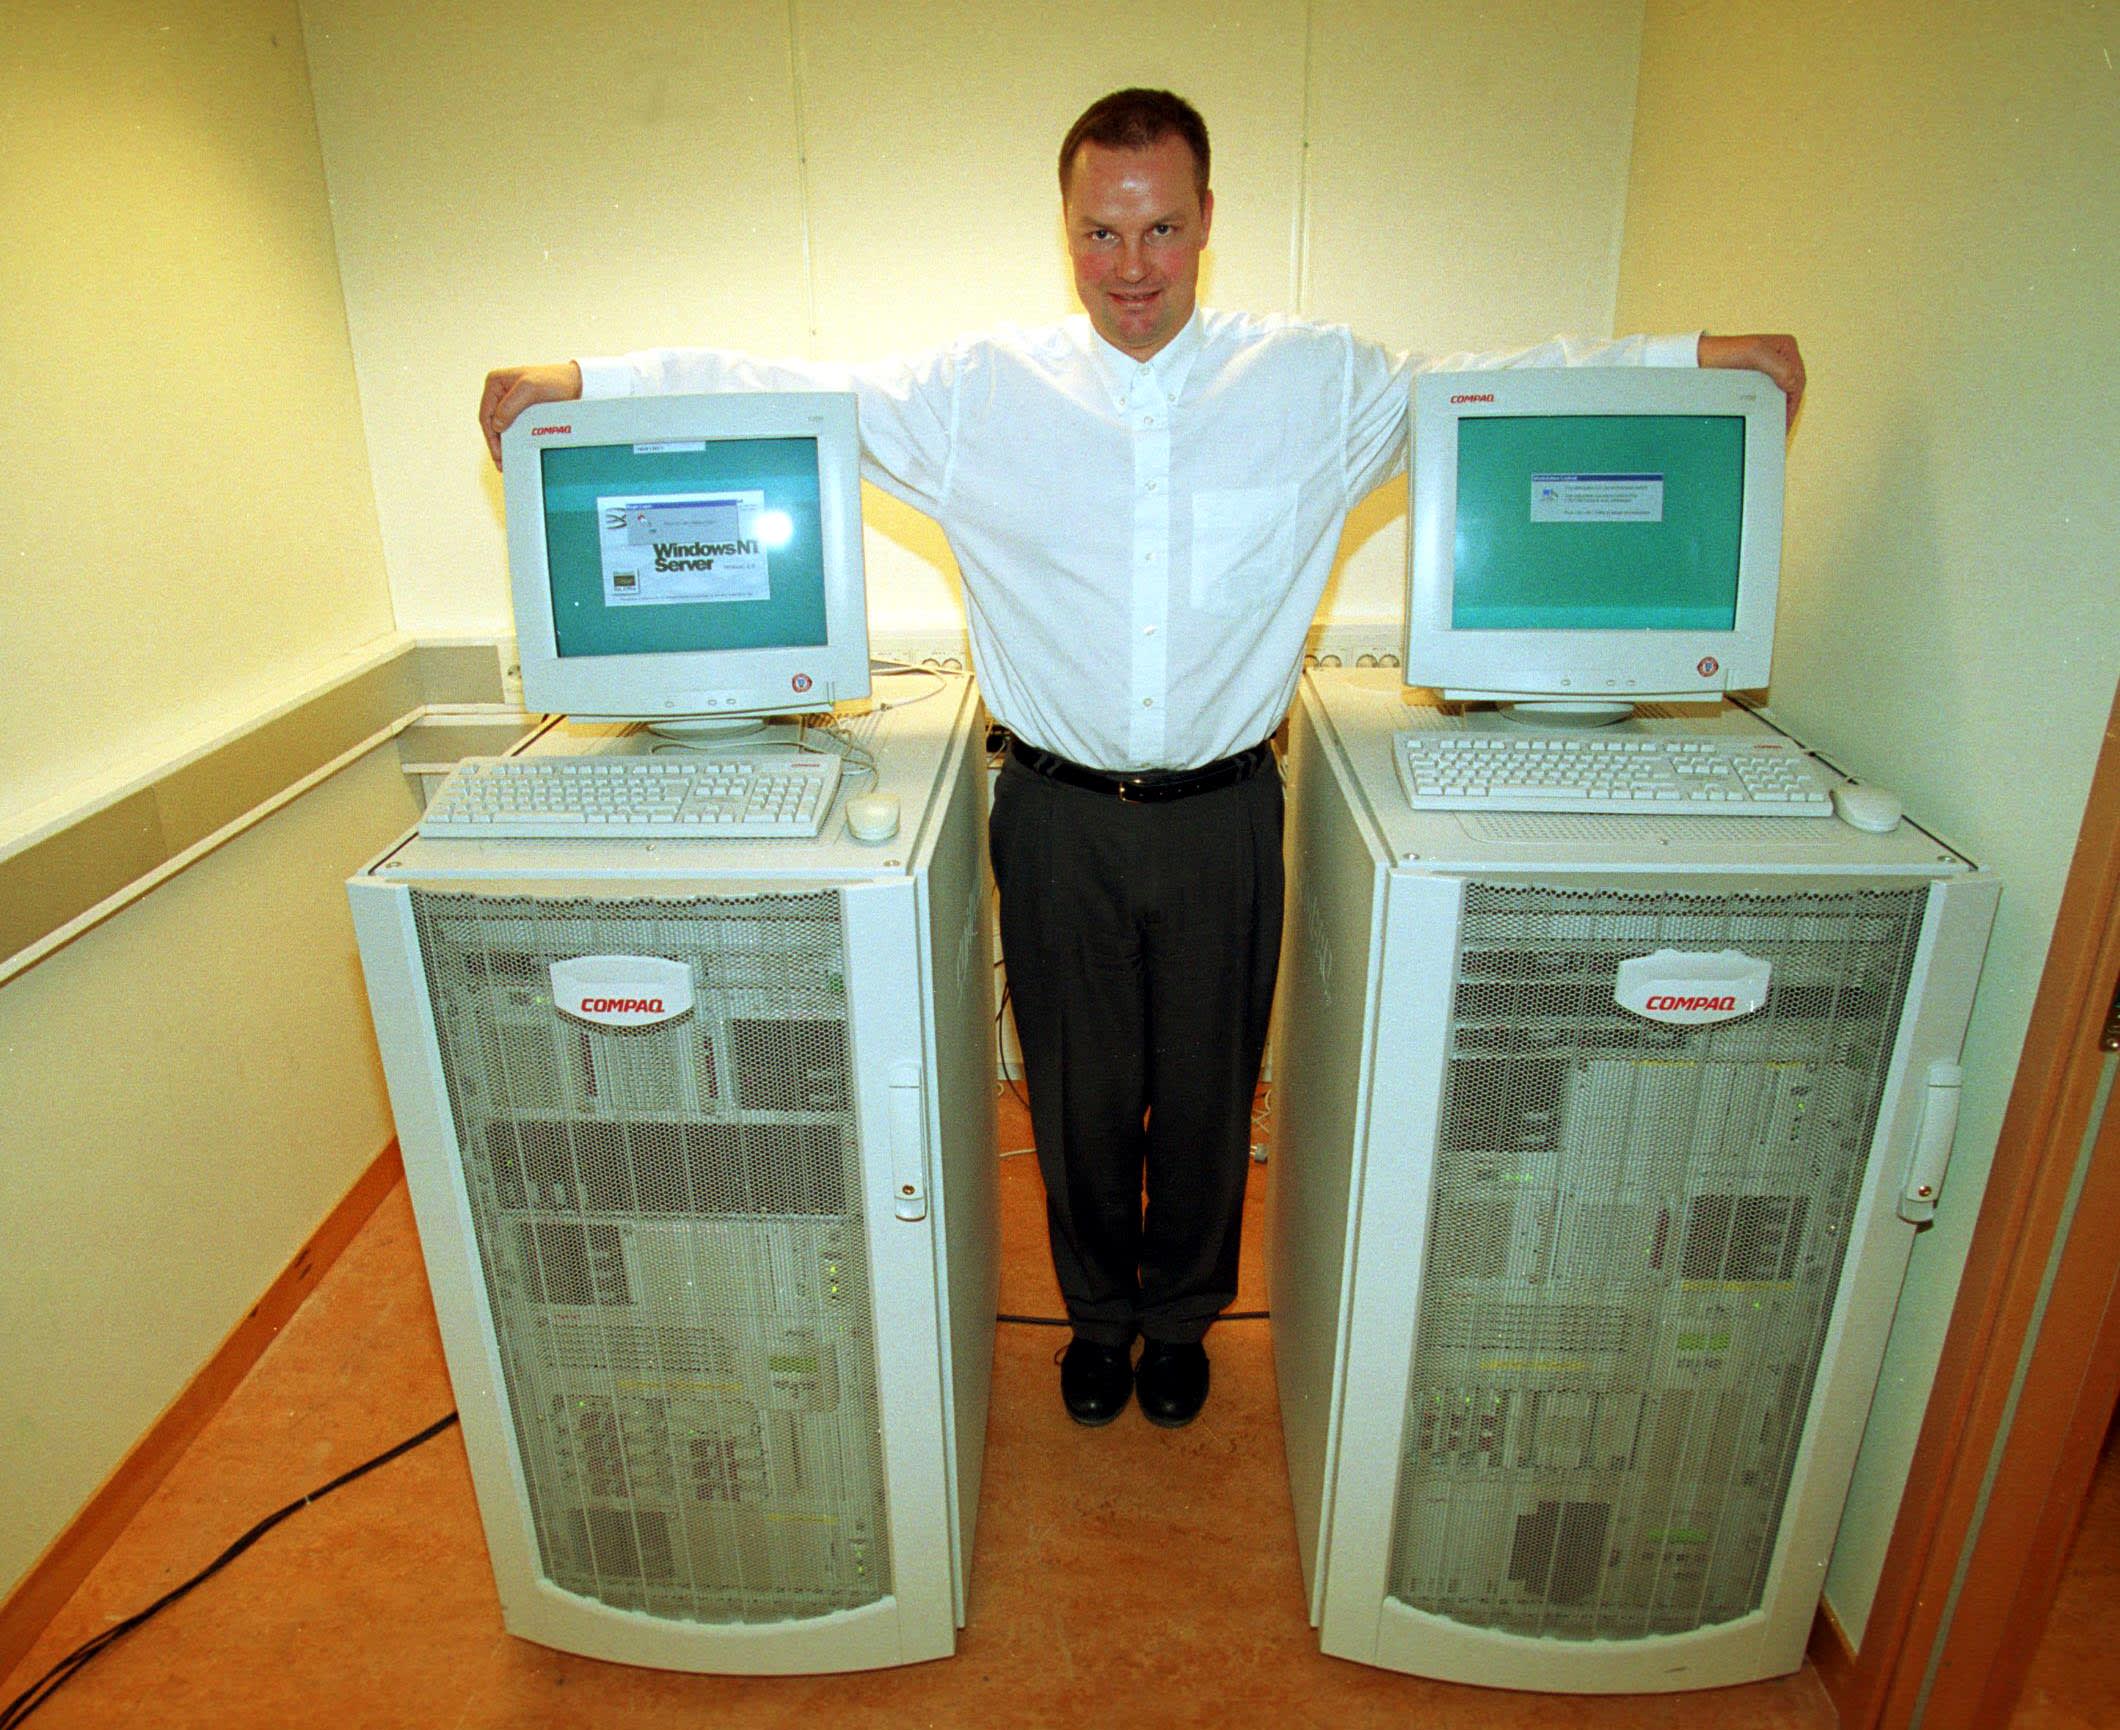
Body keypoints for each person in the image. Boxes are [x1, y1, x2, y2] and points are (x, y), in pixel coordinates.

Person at [481, 88, 1804, 1432]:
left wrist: (1698, 357)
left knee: (1212, 1094)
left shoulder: (1316, 383)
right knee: (1079, 1099)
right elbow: (786, 391)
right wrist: (585, 383)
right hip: (1056, 814)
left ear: (1207, 219)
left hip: (1226, 813)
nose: (1131, 267)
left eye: (1161, 228)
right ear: (1065, 230)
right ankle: (1098, 1317)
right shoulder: (978, 396)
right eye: (1100, 234)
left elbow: (1510, 383)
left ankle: (1180, 1320)